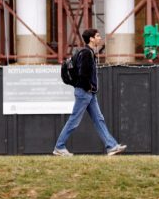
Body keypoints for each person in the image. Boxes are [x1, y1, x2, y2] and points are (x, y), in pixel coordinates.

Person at [53, 29, 127, 157]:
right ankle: (59, 147)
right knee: (74, 120)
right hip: (84, 93)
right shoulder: (87, 53)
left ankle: (111, 146)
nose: (100, 38)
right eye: (98, 36)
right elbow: (83, 74)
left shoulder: (88, 52)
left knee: (99, 119)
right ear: (91, 39)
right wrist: (88, 87)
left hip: (89, 94)